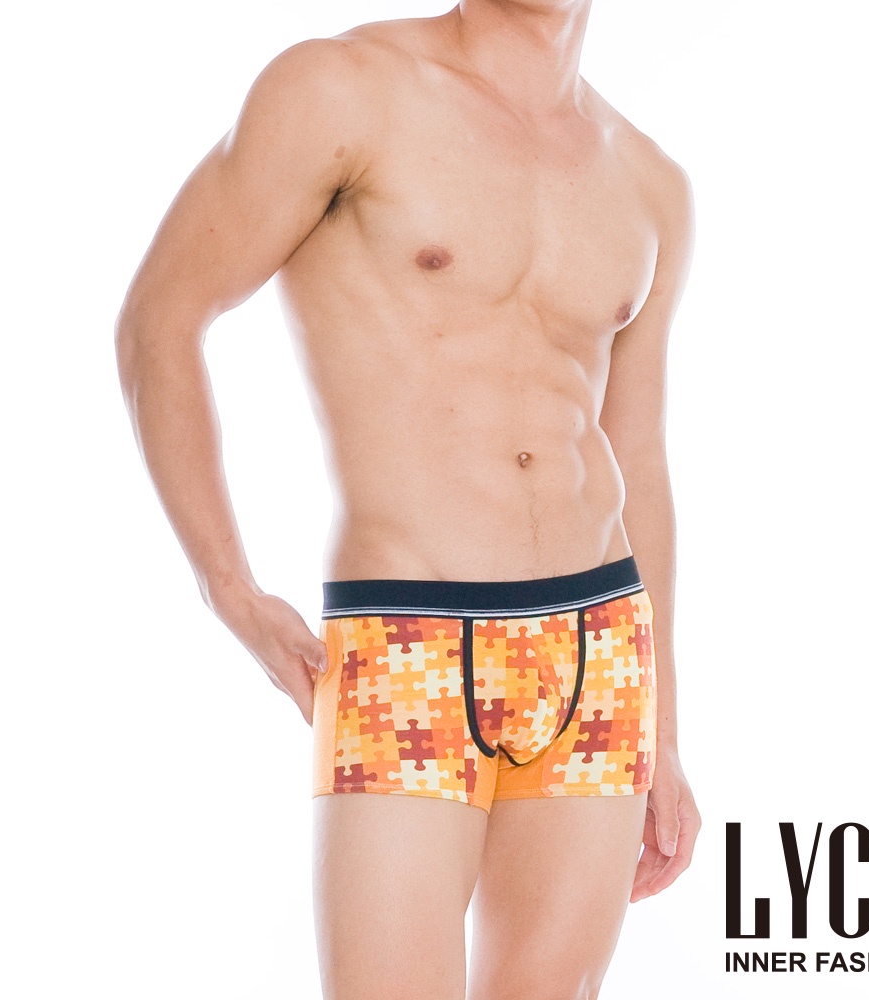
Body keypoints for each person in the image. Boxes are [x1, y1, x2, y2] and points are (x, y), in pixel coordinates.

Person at [115, 1, 700, 997]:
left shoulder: (648, 180)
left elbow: (636, 453)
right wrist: (228, 586)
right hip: (407, 637)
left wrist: (666, 733)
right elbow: (159, 320)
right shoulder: (342, 91)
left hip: (600, 649)